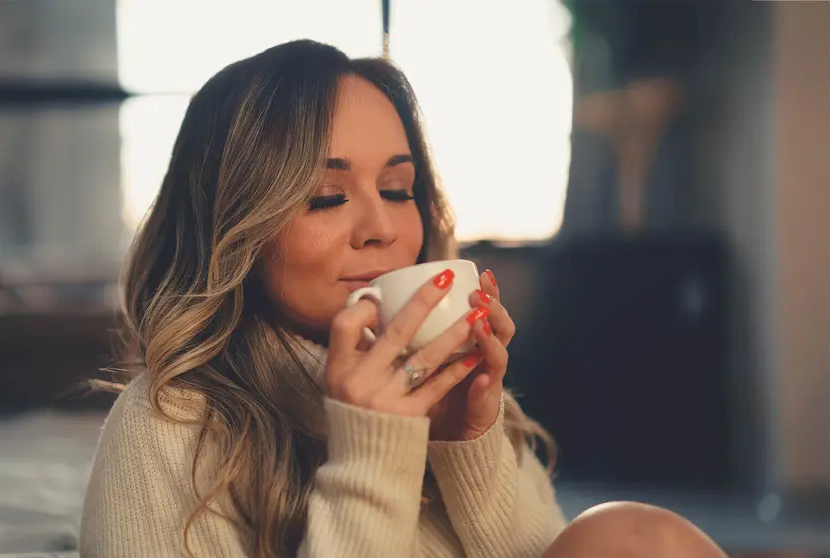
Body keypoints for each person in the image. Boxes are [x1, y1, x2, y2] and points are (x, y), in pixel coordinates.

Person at [80, 40, 727, 558]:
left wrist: (468, 445)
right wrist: (371, 456)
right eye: (327, 198)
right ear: (233, 229)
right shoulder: (168, 427)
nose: (383, 228)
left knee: (633, 538)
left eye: (397, 189)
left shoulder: (461, 399)